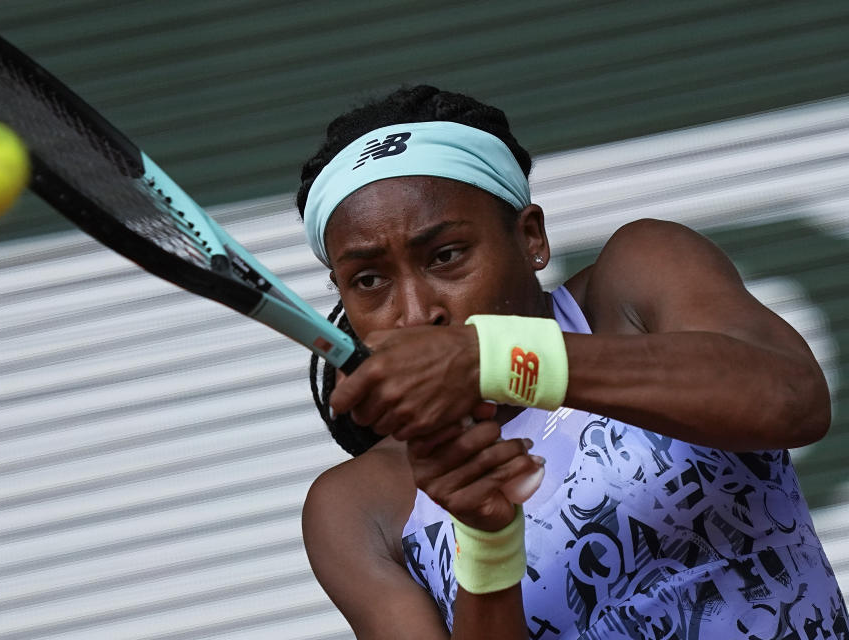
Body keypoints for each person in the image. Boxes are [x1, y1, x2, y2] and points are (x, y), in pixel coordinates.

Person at [296, 85, 847, 639]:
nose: (417, 313)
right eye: (369, 281)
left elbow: (793, 397)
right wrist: (488, 545)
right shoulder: (357, 506)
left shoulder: (638, 278)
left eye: (446, 256)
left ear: (531, 236)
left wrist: (500, 359)